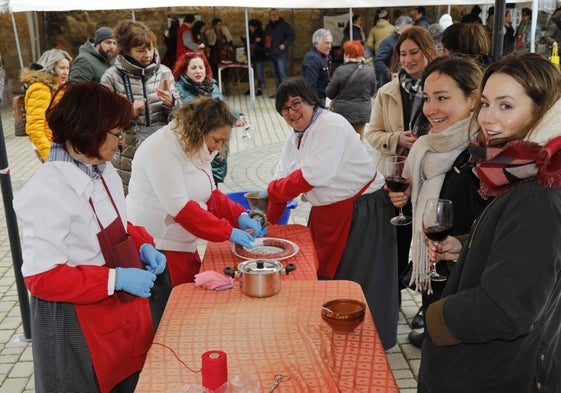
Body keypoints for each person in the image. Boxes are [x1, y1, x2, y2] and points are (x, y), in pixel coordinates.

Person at [419, 53, 561, 393]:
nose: (488, 118)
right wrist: (468, 246)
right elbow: (533, 257)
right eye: (485, 103)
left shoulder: (537, 191)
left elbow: (507, 308)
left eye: (505, 106)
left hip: (495, 371)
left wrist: (438, 318)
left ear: (542, 111)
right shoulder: (525, 171)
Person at [13, 81, 167, 393]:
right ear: (88, 130)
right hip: (75, 322)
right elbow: (43, 278)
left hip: (117, 312)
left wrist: (144, 244)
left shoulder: (103, 170)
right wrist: (116, 280)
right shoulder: (46, 191)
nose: (121, 142)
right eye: (116, 133)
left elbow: (119, 224)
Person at [263, 78, 398, 349]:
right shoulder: (296, 137)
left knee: (361, 280)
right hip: (327, 213)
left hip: (362, 211)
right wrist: (269, 229)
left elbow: (312, 175)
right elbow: (281, 179)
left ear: (311, 101)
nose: (291, 112)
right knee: (327, 276)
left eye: (296, 104)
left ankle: (370, 342)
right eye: (284, 109)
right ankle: (334, 336)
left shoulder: (331, 125)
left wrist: (275, 193)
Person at [126, 96, 265, 326]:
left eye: (223, 141)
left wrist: (240, 215)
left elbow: (211, 194)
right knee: (173, 315)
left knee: (189, 308)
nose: (219, 146)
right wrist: (228, 232)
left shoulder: (196, 144)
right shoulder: (162, 149)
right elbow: (181, 210)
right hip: (160, 246)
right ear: (200, 128)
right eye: (217, 139)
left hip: (183, 243)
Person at [388, 56, 486, 348]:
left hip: (466, 277)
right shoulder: (425, 146)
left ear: (473, 99)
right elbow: (415, 202)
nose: (431, 109)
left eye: (442, 98)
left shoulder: (483, 155)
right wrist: (402, 198)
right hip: (432, 267)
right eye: (427, 98)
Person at [365, 26, 436, 329]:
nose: (407, 59)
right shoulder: (387, 92)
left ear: (427, 51)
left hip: (430, 177)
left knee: (427, 242)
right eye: (402, 54)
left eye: (413, 52)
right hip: (396, 178)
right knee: (395, 241)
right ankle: (391, 301)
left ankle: (425, 305)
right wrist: (397, 139)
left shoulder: (440, 86)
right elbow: (371, 133)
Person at [101, 19, 179, 194]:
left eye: (150, 48)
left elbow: (179, 117)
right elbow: (102, 120)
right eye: (141, 50)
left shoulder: (165, 72)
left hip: (162, 151)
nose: (147, 54)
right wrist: (128, 114)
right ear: (126, 51)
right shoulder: (111, 77)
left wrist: (171, 104)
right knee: (131, 203)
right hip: (127, 154)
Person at [173, 52, 248, 186]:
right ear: (185, 70)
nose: (198, 71)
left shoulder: (211, 85)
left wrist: (236, 116)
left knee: (214, 185)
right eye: (194, 68)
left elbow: (222, 106)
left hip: (216, 144)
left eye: (201, 67)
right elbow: (190, 112)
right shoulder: (179, 88)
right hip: (195, 143)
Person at [20, 48, 72, 162]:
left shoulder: (59, 87)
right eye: (61, 68)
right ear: (51, 67)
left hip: (59, 142)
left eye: (68, 68)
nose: (66, 72)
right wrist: (48, 154)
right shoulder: (41, 88)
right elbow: (34, 127)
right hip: (49, 145)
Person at [325, 40, 376, 139]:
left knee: (342, 140)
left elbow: (329, 93)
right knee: (357, 141)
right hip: (362, 113)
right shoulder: (369, 71)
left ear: (347, 54)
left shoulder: (340, 71)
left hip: (342, 114)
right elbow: (372, 91)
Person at [374, 15, 413, 88]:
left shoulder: (408, 41)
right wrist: (389, 74)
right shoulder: (388, 42)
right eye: (407, 30)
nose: (410, 33)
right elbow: (378, 61)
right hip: (390, 83)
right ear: (398, 29)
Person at [264, 8, 295, 97]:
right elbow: (266, 38)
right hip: (271, 54)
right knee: (275, 74)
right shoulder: (268, 26)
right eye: (272, 15)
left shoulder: (284, 25)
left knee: (282, 73)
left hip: (281, 54)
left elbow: (291, 36)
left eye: (276, 14)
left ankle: (286, 93)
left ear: (278, 15)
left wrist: (284, 44)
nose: (274, 16)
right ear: (270, 16)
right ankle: (279, 92)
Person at [301, 28, 332, 107]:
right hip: (317, 103)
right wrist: (317, 105)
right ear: (317, 43)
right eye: (327, 43)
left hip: (324, 101)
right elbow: (310, 85)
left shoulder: (324, 56)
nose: (330, 46)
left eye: (330, 43)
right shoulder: (312, 59)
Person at [242, 19, 265, 96]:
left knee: (259, 73)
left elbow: (263, 45)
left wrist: (259, 42)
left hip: (259, 56)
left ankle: (259, 88)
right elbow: (245, 43)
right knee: (250, 73)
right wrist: (243, 38)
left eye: (251, 27)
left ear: (255, 27)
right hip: (250, 56)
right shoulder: (248, 33)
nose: (250, 28)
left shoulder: (260, 34)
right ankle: (250, 88)